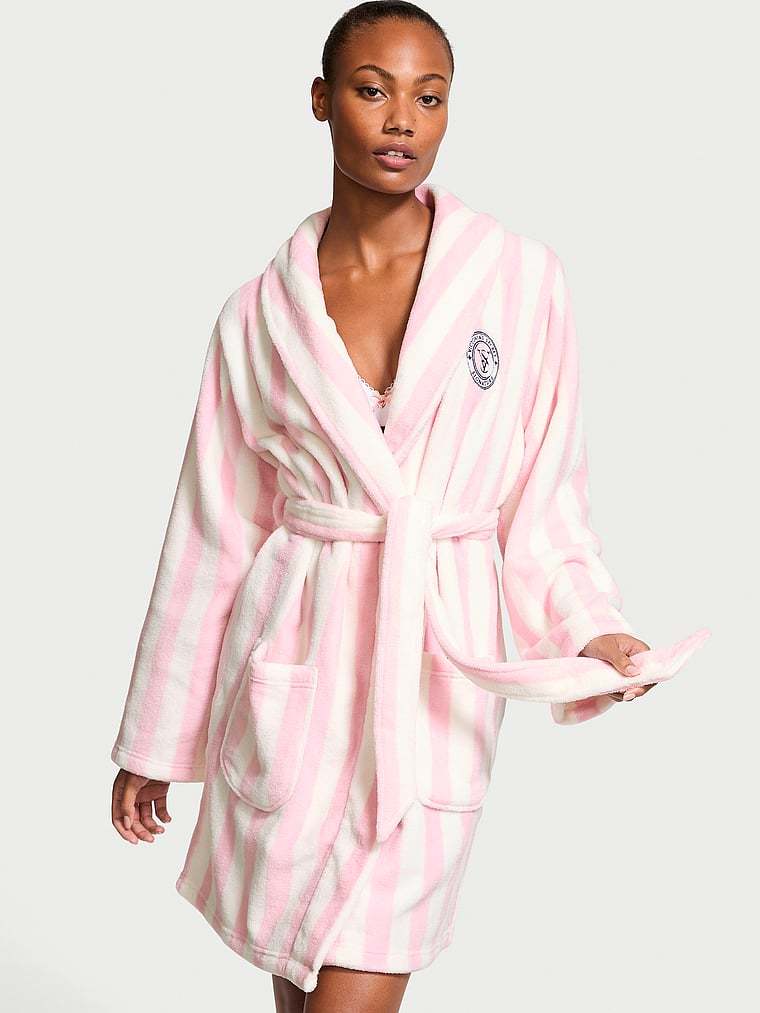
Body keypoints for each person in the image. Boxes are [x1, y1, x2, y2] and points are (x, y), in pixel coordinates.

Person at [109, 4, 709, 1011]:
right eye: (372, 90)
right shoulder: (257, 315)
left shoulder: (519, 281)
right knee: (299, 974)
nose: (401, 120)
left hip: (428, 676)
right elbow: (212, 532)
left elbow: (544, 494)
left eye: (428, 98)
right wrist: (155, 737)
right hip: (293, 671)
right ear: (321, 101)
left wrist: (589, 623)